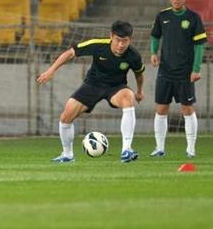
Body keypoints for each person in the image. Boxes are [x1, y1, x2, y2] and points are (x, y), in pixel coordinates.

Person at [37, 21, 145, 163]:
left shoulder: (133, 55)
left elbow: (139, 73)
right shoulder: (98, 45)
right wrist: (51, 70)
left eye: (124, 41)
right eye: (118, 40)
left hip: (116, 87)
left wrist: (139, 91)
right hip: (92, 85)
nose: (120, 45)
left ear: (130, 40)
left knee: (128, 98)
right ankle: (67, 155)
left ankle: (126, 150)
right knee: (66, 116)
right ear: (111, 36)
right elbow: (70, 53)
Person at [149, 0, 207, 158]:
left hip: (184, 73)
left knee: (187, 109)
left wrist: (196, 69)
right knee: (160, 109)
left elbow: (200, 45)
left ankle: (191, 148)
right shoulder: (162, 16)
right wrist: (153, 52)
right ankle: (159, 148)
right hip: (165, 71)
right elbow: (155, 36)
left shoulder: (193, 18)